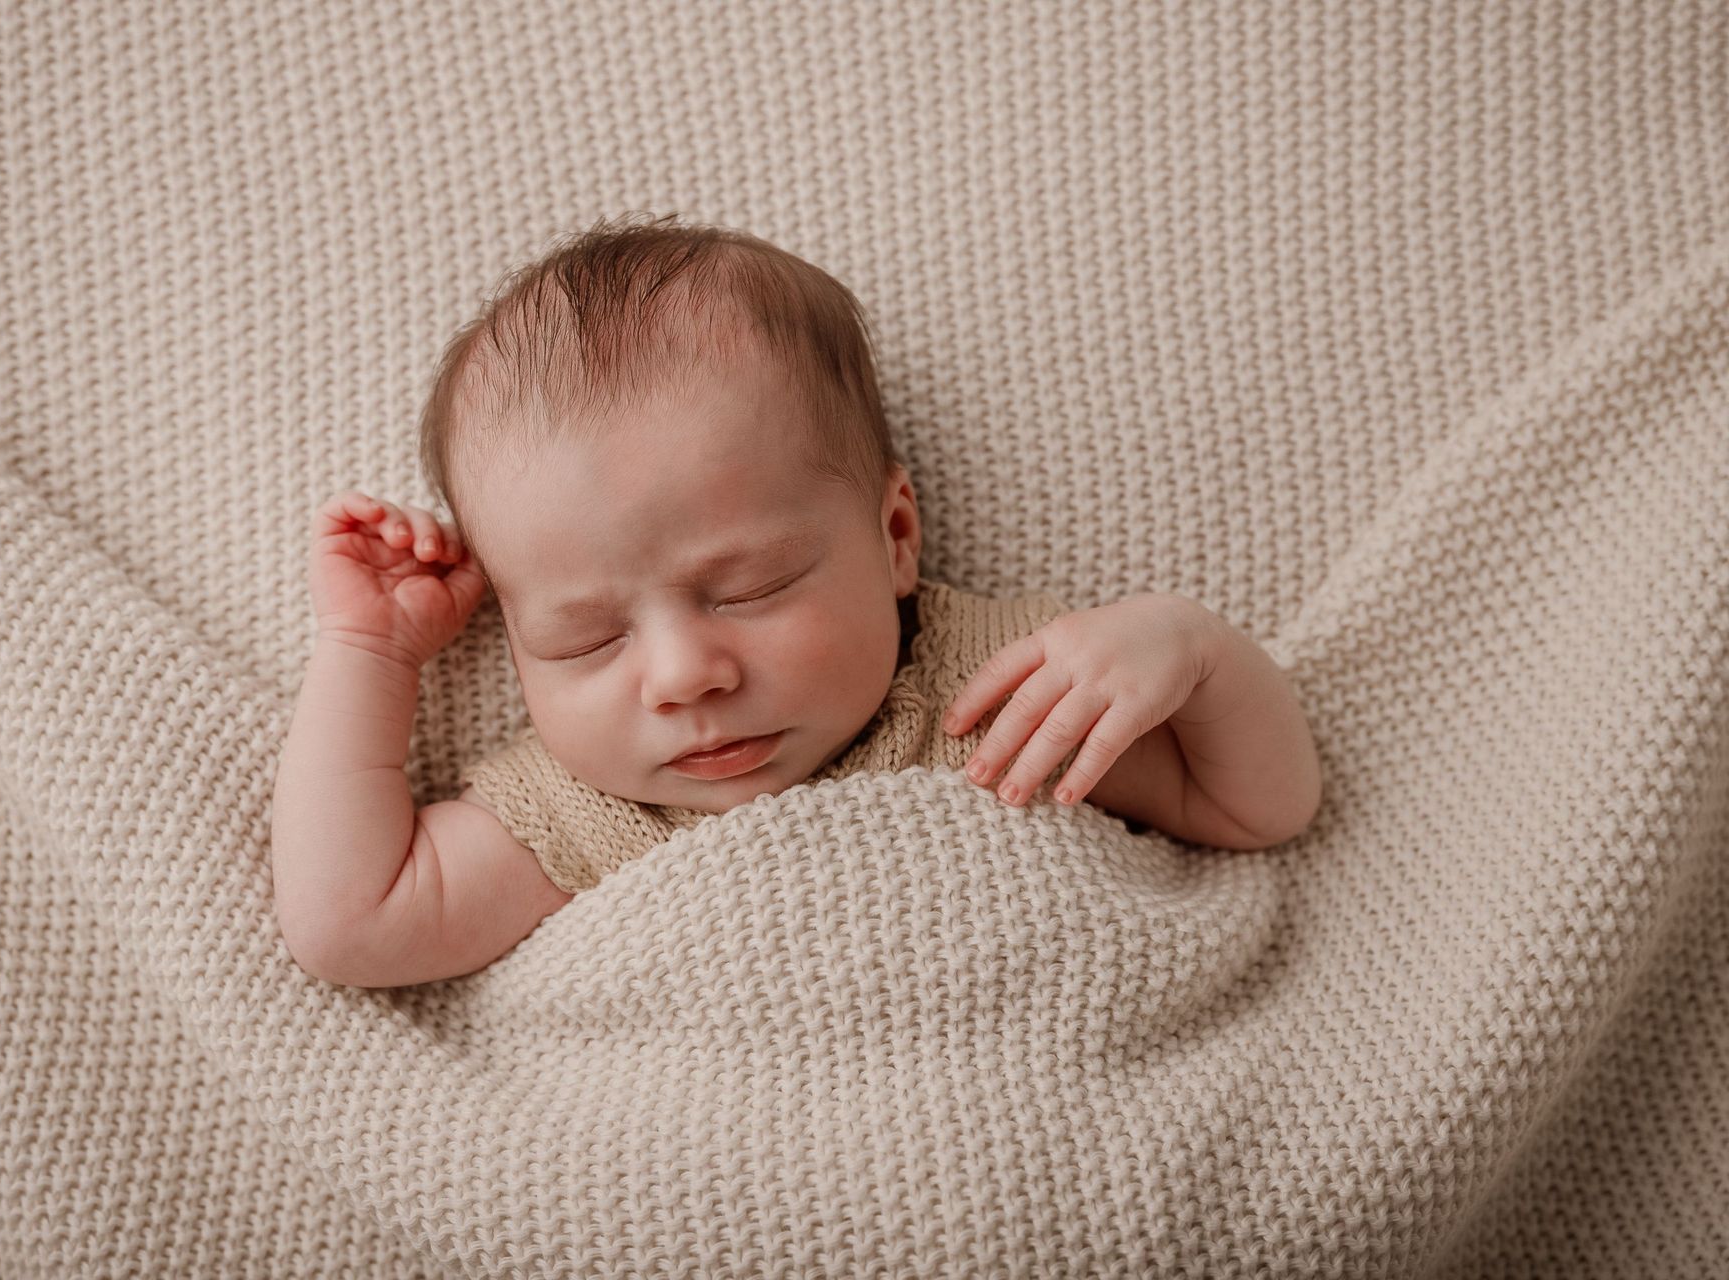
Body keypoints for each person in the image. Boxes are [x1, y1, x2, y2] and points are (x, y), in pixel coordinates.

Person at [270, 213, 1321, 987]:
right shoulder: (580, 814)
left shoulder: (999, 695)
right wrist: (369, 652)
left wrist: (1189, 648)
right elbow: (349, 923)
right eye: (584, 636)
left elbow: (1257, 806)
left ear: (895, 535)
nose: (684, 675)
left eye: (750, 587)